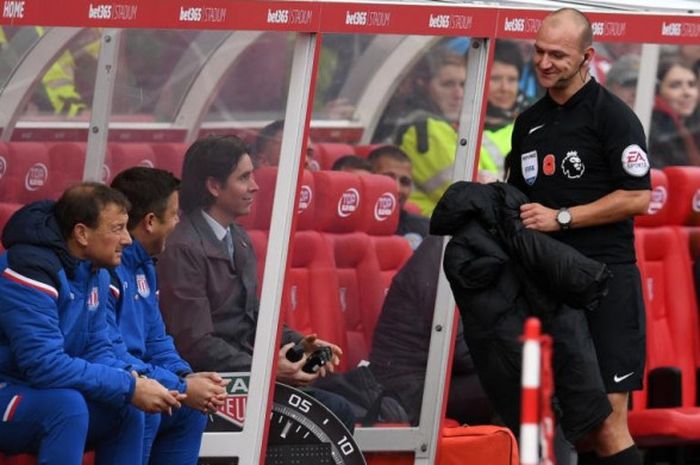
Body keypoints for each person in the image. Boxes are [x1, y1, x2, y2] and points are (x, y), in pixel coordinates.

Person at [506, 8, 651, 465]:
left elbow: (637, 198)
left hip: (607, 285)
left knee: (608, 423)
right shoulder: (528, 122)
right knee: (577, 428)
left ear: (587, 56)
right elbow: (518, 197)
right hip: (551, 287)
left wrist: (561, 218)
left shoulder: (614, 117)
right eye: (539, 51)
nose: (544, 63)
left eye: (558, 55)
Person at [156, 135, 355, 429]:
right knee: (333, 409)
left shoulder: (238, 238)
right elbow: (195, 343)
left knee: (340, 395)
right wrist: (267, 369)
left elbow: (254, 315)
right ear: (214, 186)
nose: (255, 186)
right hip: (215, 385)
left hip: (247, 373)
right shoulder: (184, 247)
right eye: (244, 177)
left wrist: (300, 342)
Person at [0, 183, 182, 465]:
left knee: (128, 409)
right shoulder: (28, 269)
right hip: (9, 388)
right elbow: (44, 366)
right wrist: (130, 387)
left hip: (39, 391)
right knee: (67, 407)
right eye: (117, 229)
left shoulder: (95, 270)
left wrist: (139, 381)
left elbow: (99, 349)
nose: (127, 240)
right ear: (82, 233)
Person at [109, 167, 228, 465]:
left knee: (188, 412)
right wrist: (183, 388)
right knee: (148, 406)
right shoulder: (105, 269)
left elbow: (157, 339)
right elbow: (113, 354)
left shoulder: (145, 266)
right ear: (150, 222)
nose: (178, 222)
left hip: (146, 377)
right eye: (174, 215)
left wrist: (185, 375)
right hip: (117, 381)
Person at [368, 235, 491, 425]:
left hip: (440, 376)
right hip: (409, 390)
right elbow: (460, 352)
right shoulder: (442, 258)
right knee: (514, 384)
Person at [394, 47, 466, 217]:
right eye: (448, 84)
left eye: (463, 84)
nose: (459, 94)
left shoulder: (445, 125)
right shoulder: (424, 127)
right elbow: (463, 197)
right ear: (424, 85)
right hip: (427, 230)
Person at [367, 145, 430, 250]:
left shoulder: (428, 230)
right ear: (367, 180)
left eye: (405, 182)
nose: (397, 189)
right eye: (388, 179)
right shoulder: (350, 230)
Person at [479, 40, 525, 181]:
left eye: (512, 80)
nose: (504, 88)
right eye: (495, 78)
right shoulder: (459, 126)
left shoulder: (528, 126)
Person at [648, 57, 700, 168]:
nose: (687, 93)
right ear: (657, 91)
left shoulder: (691, 126)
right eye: (675, 85)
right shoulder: (652, 127)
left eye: (691, 85)